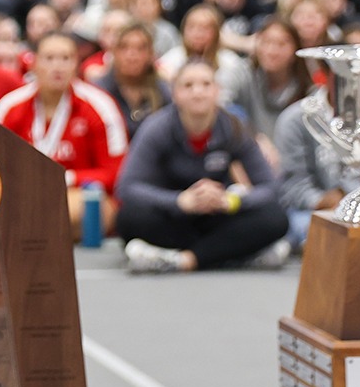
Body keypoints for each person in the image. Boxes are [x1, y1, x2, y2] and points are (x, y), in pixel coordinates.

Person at [117, 60, 291, 273]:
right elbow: (127, 187)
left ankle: (183, 260)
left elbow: (270, 187)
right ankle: (233, 255)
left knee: (275, 218)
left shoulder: (234, 127)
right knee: (129, 217)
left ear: (217, 91)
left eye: (206, 84)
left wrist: (231, 201)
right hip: (174, 216)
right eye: (188, 85)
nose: (197, 92)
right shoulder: (156, 128)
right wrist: (179, 201)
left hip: (218, 213)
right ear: (175, 93)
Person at [0, 32, 128, 239]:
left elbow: (116, 173)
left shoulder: (100, 106)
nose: (58, 66)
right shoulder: (10, 106)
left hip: (78, 195)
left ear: (77, 64)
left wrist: (65, 178)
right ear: (33, 63)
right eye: (49, 58)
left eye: (66, 58)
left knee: (88, 207)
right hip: (23, 194)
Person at [274, 95, 354, 249]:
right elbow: (293, 187)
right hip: (307, 211)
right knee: (292, 225)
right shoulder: (296, 118)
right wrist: (321, 201)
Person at [234, 17, 311, 169]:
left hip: (293, 167)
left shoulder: (309, 90)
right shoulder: (242, 74)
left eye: (281, 44)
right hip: (249, 163)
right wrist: (255, 138)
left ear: (296, 49)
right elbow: (221, 104)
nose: (272, 51)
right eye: (266, 42)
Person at [157, 4, 248, 102]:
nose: (198, 33)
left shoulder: (231, 63)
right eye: (191, 27)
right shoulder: (171, 59)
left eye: (205, 28)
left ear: (217, 33)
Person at [94, 23, 171, 137]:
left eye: (140, 48)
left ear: (151, 54)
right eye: (124, 47)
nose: (132, 56)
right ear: (114, 52)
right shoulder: (98, 92)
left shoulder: (163, 92)